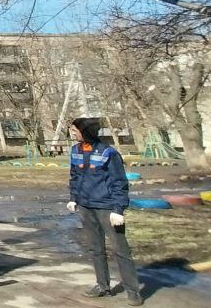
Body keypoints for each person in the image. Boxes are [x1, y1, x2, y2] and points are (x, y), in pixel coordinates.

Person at [66, 117, 142, 306]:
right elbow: (75, 176)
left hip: (107, 208)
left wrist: (118, 209)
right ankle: (103, 286)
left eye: (75, 130)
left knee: (121, 250)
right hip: (85, 206)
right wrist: (73, 198)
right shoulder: (75, 150)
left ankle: (133, 291)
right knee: (96, 249)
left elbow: (119, 182)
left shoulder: (108, 153)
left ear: (86, 131)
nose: (72, 133)